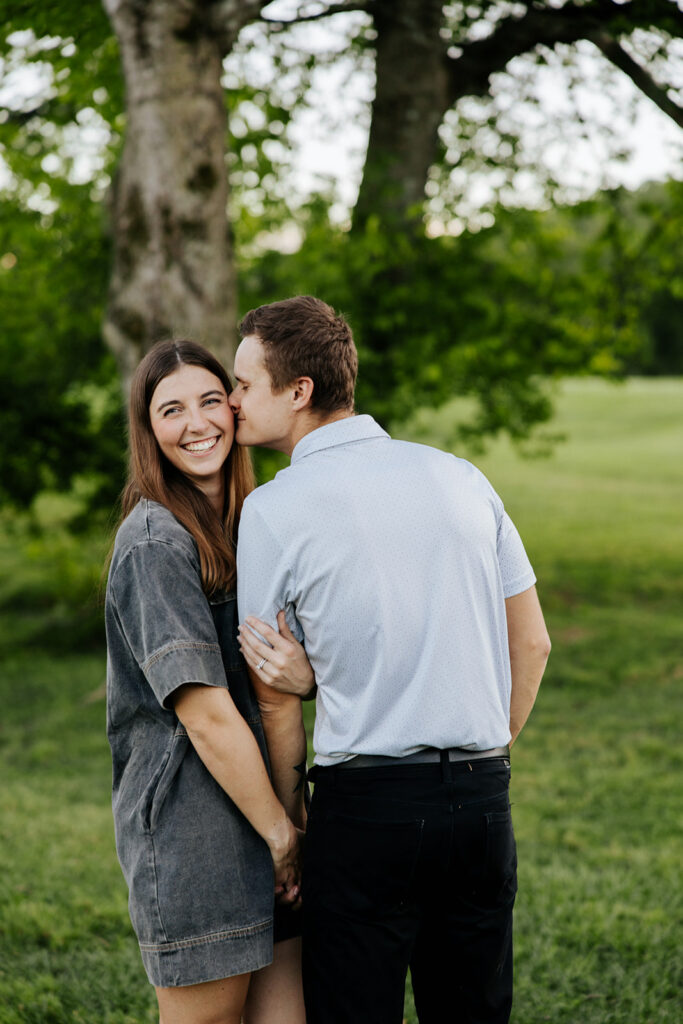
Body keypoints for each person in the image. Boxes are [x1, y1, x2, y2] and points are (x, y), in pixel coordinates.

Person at [231, 296, 551, 1024]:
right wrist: (481, 758)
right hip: (482, 802)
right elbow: (532, 642)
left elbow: (272, 692)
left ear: (298, 391)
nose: (234, 400)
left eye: (245, 384)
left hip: (365, 814)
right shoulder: (461, 477)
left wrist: (294, 827)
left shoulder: (274, 509)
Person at [104, 339, 313, 1024]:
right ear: (148, 430)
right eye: (171, 410)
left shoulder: (256, 523)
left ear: (234, 408)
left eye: (209, 401)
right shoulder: (154, 542)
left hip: (271, 815)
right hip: (197, 834)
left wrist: (305, 679)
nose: (196, 424)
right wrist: (283, 838)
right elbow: (206, 714)